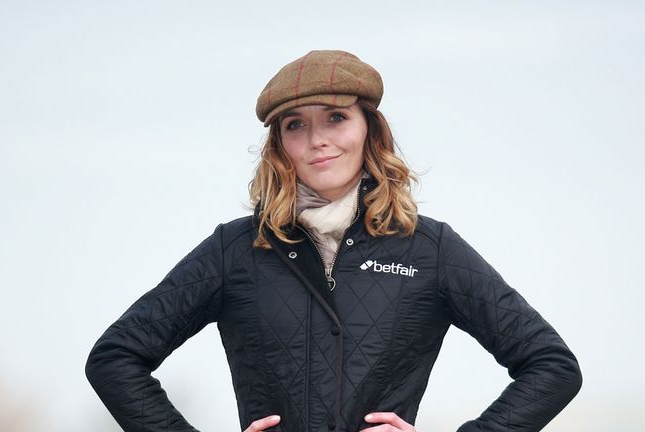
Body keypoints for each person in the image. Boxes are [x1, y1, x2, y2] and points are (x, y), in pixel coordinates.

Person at [85, 50, 582, 432]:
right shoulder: (233, 251)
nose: (317, 138)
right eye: (295, 125)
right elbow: (115, 358)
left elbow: (552, 366)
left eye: (336, 117)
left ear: (370, 129)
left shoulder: (429, 249)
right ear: (280, 144)